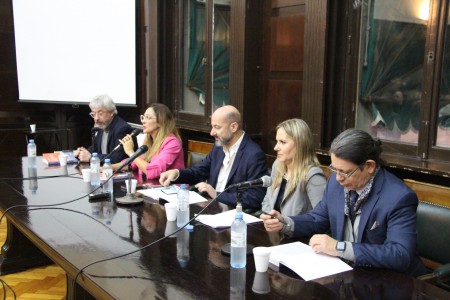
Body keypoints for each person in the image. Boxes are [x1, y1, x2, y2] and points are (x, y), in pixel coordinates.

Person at [261, 128, 427, 277]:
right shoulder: (336, 182)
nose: (338, 178)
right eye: (334, 169)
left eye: (345, 172)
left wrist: (340, 248)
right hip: (346, 274)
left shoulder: (398, 197)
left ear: (369, 166)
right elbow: (318, 219)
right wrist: (285, 223)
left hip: (389, 282)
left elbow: (400, 254)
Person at [159, 105, 267, 211]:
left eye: (217, 127)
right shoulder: (218, 147)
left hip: (233, 216)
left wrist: (216, 194)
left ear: (233, 127)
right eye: (212, 127)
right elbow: (199, 172)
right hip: (210, 209)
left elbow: (254, 198)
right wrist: (176, 173)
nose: (212, 133)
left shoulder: (254, 154)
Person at [260, 119, 326, 235]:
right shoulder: (278, 165)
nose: (276, 147)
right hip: (274, 234)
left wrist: (284, 224)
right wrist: (268, 218)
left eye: (282, 142)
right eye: (276, 141)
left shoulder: (313, 176)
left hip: (299, 240)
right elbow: (267, 200)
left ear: (300, 145)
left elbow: (322, 221)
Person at [111, 103, 185, 180]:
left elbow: (154, 171)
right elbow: (133, 163)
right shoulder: (149, 141)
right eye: (143, 117)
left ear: (160, 122)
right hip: (150, 187)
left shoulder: (172, 143)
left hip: (171, 189)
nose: (143, 121)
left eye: (148, 118)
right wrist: (106, 168)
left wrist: (131, 152)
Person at [74, 94, 135, 164]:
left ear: (111, 112)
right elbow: (95, 148)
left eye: (100, 113)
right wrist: (83, 152)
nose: (96, 118)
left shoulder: (122, 129)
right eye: (93, 114)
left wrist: (91, 157)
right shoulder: (102, 125)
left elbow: (117, 158)